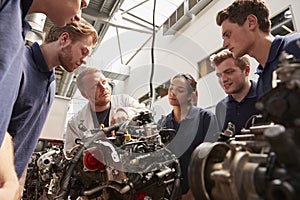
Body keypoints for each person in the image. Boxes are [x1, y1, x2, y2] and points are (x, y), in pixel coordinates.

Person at [0, 0, 90, 198]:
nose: (84, 60)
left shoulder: (50, 84)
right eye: (83, 51)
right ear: (64, 39)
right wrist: (9, 180)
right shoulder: (20, 60)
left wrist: (18, 184)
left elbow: (24, 141)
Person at [216, 0, 300, 98]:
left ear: (251, 22)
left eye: (228, 34)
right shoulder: (261, 83)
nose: (224, 45)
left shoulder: (296, 46)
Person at [157, 73, 219, 200]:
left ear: (191, 94)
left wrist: (194, 191)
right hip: (170, 192)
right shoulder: (162, 123)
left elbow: (212, 159)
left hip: (200, 191)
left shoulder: (206, 118)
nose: (172, 93)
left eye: (180, 90)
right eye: (171, 88)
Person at [64, 67, 147, 153]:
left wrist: (126, 112)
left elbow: (147, 114)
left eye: (104, 82)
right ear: (84, 94)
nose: (103, 88)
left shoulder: (125, 101)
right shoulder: (75, 123)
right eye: (95, 86)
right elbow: (69, 154)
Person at [212, 49, 260, 134]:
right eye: (219, 75)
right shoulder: (221, 107)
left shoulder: (265, 96)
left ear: (246, 70)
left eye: (229, 72)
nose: (223, 79)